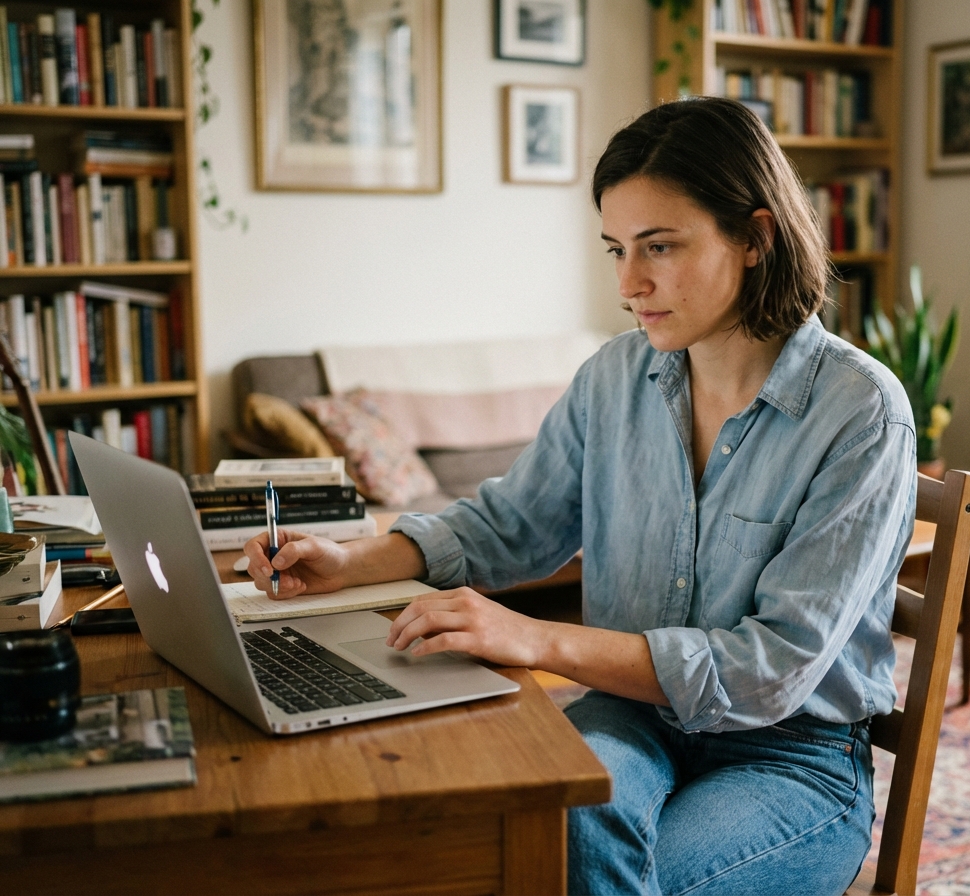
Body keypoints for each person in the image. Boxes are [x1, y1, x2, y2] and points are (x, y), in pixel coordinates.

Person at [246, 97, 915, 895]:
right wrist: (352, 562)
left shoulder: (862, 413)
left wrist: (535, 640)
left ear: (755, 238)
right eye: (617, 250)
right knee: (542, 834)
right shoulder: (614, 378)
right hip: (632, 714)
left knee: (586, 874)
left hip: (790, 756)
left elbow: (767, 670)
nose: (631, 284)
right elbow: (511, 524)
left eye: (659, 246)